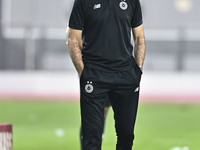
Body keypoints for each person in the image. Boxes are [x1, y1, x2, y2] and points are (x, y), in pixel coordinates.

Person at [67, 0, 145, 149]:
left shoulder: (132, 1)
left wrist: (137, 71)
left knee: (127, 134)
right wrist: (84, 73)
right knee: (92, 136)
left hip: (126, 76)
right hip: (95, 76)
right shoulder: (83, 2)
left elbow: (139, 37)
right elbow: (72, 38)